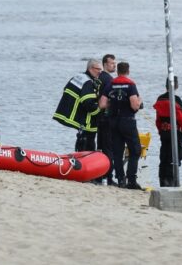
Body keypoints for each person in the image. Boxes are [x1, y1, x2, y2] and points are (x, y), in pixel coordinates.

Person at [105, 62, 143, 190]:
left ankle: (120, 179)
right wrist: (140, 101)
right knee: (135, 150)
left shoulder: (111, 83)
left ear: (117, 71)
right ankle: (131, 180)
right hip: (127, 121)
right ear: (128, 71)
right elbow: (134, 105)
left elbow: (102, 104)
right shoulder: (131, 84)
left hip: (113, 121)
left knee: (117, 151)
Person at [53, 59, 103, 152]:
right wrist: (100, 110)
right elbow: (88, 103)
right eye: (98, 69)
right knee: (87, 144)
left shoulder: (78, 76)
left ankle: (79, 158)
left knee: (81, 140)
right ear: (91, 68)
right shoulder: (88, 82)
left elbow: (66, 90)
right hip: (87, 121)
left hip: (73, 115)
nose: (100, 72)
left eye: (101, 70)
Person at [153, 76, 182, 187]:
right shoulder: (176, 100)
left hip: (164, 132)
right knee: (175, 156)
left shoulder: (160, 99)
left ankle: (163, 180)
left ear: (166, 85)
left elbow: (158, 119)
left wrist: (160, 131)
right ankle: (170, 180)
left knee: (164, 156)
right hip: (175, 132)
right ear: (176, 86)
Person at [97, 54, 116, 184]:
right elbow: (109, 99)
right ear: (104, 64)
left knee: (100, 147)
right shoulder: (108, 79)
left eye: (115, 63)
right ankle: (109, 177)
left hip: (98, 117)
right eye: (111, 63)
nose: (114, 65)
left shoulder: (98, 77)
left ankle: (98, 175)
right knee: (109, 148)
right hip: (106, 117)